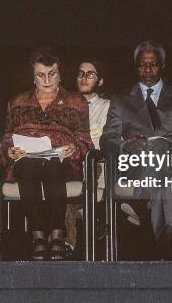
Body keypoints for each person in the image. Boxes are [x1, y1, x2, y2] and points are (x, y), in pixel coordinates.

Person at [0, 47, 94, 260]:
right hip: (27, 161)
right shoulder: (16, 102)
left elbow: (86, 142)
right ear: (33, 77)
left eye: (52, 73)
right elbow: (5, 140)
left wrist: (75, 149)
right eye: (41, 75)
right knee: (26, 166)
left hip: (62, 163)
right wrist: (10, 151)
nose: (47, 79)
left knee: (53, 166)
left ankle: (57, 234)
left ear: (60, 74)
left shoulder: (77, 102)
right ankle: (39, 235)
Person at [101, 40, 172, 245]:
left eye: (153, 64)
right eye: (143, 64)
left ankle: (144, 210)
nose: (148, 69)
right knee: (157, 170)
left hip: (171, 161)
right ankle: (163, 228)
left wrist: (156, 142)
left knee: (160, 149)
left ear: (162, 66)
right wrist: (126, 145)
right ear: (136, 67)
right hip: (135, 163)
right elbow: (108, 137)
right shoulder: (121, 100)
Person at [64, 59, 111, 254]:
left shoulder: (108, 107)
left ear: (100, 81)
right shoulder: (65, 105)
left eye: (90, 74)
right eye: (81, 73)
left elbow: (107, 141)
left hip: (95, 163)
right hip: (68, 163)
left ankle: (69, 237)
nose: (84, 78)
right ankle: (85, 219)